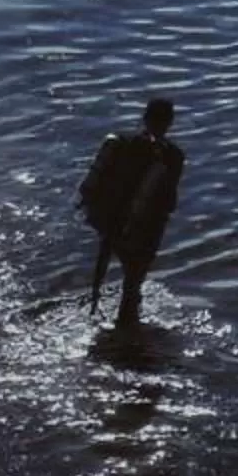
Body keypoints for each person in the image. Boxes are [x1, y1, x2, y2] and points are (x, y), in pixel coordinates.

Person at [81, 96, 184, 330]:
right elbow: (169, 199)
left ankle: (95, 311)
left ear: (144, 117)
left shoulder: (121, 143)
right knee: (133, 280)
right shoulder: (173, 156)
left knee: (103, 266)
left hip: (108, 220)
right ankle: (127, 325)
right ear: (170, 122)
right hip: (143, 228)